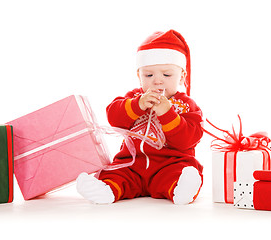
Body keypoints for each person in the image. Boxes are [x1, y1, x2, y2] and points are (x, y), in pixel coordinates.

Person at [76, 29, 204, 204]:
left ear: (182, 76)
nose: (157, 81)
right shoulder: (134, 98)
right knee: (116, 173)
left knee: (180, 172)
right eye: (149, 75)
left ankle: (181, 189)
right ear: (139, 76)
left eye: (166, 75)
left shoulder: (187, 105)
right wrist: (139, 105)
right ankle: (105, 190)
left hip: (169, 164)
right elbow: (113, 115)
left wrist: (167, 113)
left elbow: (188, 139)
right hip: (132, 164)